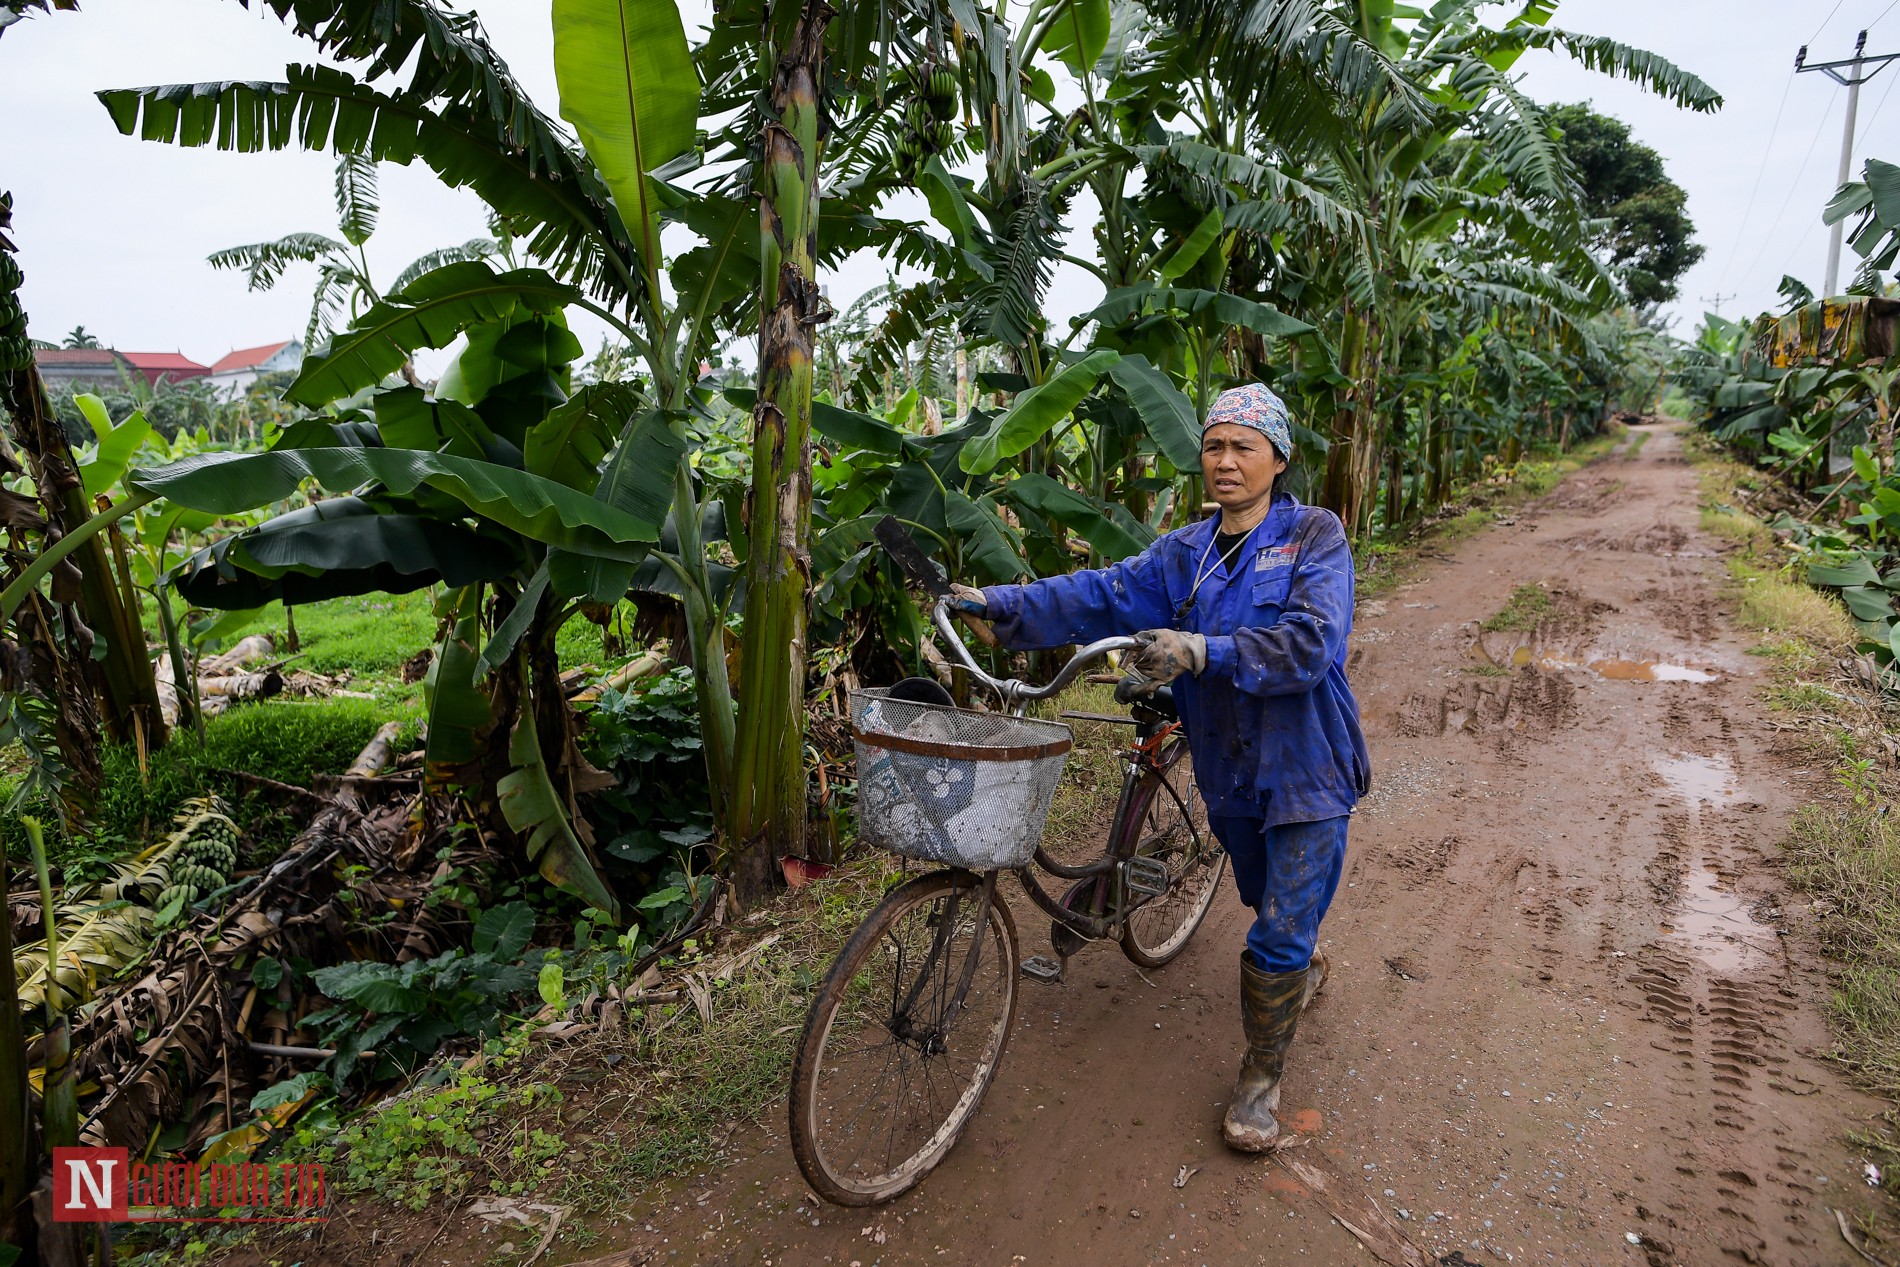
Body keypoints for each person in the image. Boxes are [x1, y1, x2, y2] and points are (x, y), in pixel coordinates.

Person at [948, 382, 1369, 1152]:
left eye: (1244, 446)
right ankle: (1298, 956)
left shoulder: (1314, 535)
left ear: (1278, 457)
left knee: (1275, 929)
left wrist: (1202, 649)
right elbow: (1099, 593)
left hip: (1307, 762)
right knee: (1264, 894)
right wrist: (1001, 605)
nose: (1226, 460)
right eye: (1214, 445)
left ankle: (1261, 1077)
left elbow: (1313, 643)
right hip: (1228, 765)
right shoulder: (1186, 552)